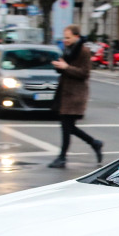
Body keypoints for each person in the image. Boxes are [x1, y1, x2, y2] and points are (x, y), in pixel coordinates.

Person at [49, 24, 103, 170]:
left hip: (75, 94)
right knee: (68, 127)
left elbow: (85, 73)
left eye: (68, 37)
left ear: (76, 37)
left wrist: (66, 67)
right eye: (64, 37)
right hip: (65, 92)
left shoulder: (83, 51)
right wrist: (59, 66)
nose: (65, 40)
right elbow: (64, 67)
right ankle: (94, 143)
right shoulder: (68, 49)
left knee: (66, 127)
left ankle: (62, 157)